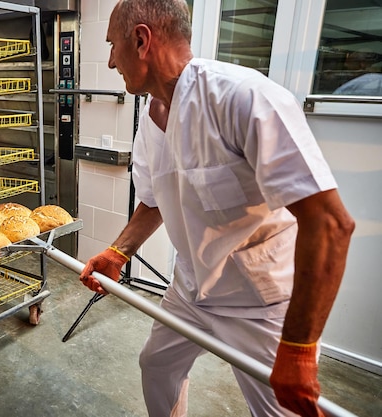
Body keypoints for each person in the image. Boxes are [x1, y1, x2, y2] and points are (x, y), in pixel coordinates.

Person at [79, 1, 355, 416]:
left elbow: (330, 224)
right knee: (156, 366)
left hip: (256, 299)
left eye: (113, 45)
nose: (110, 59)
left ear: (140, 40)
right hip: (191, 288)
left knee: (283, 409)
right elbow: (154, 200)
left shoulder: (244, 98)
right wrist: (119, 251)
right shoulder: (151, 116)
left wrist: (299, 349)